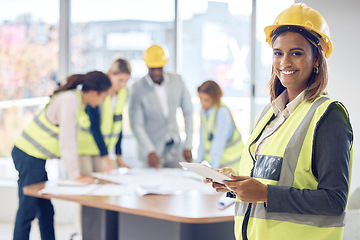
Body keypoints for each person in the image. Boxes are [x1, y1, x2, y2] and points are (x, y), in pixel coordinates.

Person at [207, 3, 353, 240]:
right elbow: (270, 177)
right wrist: (233, 184)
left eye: (296, 53)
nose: (285, 62)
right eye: (278, 53)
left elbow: (334, 200)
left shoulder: (328, 116)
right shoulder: (269, 113)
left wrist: (265, 193)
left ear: (317, 59)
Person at [12, 71, 111, 240]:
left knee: (46, 211)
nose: (102, 102)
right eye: (103, 97)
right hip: (28, 155)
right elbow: (67, 141)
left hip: (35, 158)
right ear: (95, 92)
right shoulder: (71, 100)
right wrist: (75, 175)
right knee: (27, 209)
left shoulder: (77, 101)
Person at [129, 44, 193, 168]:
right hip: (151, 152)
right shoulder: (137, 89)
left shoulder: (177, 81)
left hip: (175, 148)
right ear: (147, 66)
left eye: (159, 67)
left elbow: (188, 112)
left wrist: (188, 145)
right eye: (153, 68)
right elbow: (136, 125)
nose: (156, 72)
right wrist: (150, 150)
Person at [77, 59, 132, 175]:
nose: (123, 85)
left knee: (103, 182)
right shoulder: (98, 89)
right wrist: (106, 157)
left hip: (102, 150)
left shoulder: (123, 93)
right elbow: (94, 125)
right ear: (111, 73)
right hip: (84, 148)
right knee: (86, 184)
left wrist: (118, 155)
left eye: (126, 81)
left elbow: (118, 123)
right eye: (120, 80)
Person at [197, 80, 244, 170]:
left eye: (206, 100)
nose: (202, 103)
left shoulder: (222, 112)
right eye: (200, 99)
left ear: (215, 98)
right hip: (219, 167)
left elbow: (218, 142)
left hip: (233, 166)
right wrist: (198, 164)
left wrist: (213, 169)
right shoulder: (204, 111)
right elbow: (202, 138)